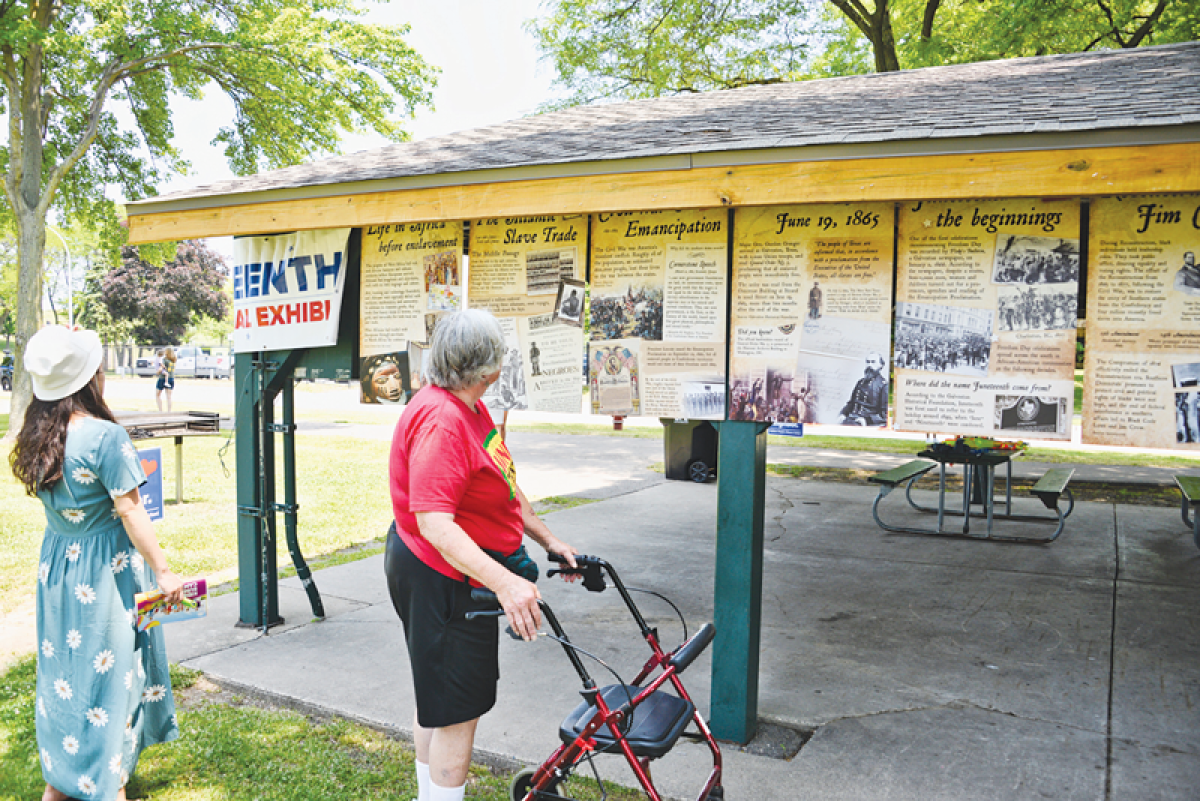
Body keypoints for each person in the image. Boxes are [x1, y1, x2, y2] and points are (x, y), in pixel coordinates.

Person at [384, 309, 578, 801]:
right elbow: (433, 521)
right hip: (440, 574)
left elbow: (502, 483)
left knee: (438, 699)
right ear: (490, 368)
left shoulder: (467, 406)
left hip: (440, 568)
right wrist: (506, 582)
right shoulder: (445, 420)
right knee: (456, 711)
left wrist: (546, 537)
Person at [10, 326, 184, 801]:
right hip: (106, 572)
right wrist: (165, 572)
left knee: (66, 673)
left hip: (58, 571)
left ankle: (62, 779)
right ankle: (107, 784)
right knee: (111, 678)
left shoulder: (38, 431)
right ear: (92, 378)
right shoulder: (105, 437)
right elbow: (130, 510)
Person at [840, 351, 889, 426]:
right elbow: (851, 403)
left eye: (873, 362)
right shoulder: (860, 382)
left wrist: (866, 420)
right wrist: (843, 414)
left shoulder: (883, 385)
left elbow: (884, 414)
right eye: (868, 362)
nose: (869, 365)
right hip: (851, 418)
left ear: (881, 365)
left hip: (866, 423)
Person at [155, 347, 176, 412]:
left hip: (162, 378)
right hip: (171, 378)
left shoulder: (164, 360)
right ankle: (169, 411)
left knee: (157, 394)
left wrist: (157, 372)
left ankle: (160, 411)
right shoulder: (173, 360)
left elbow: (161, 368)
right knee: (169, 396)